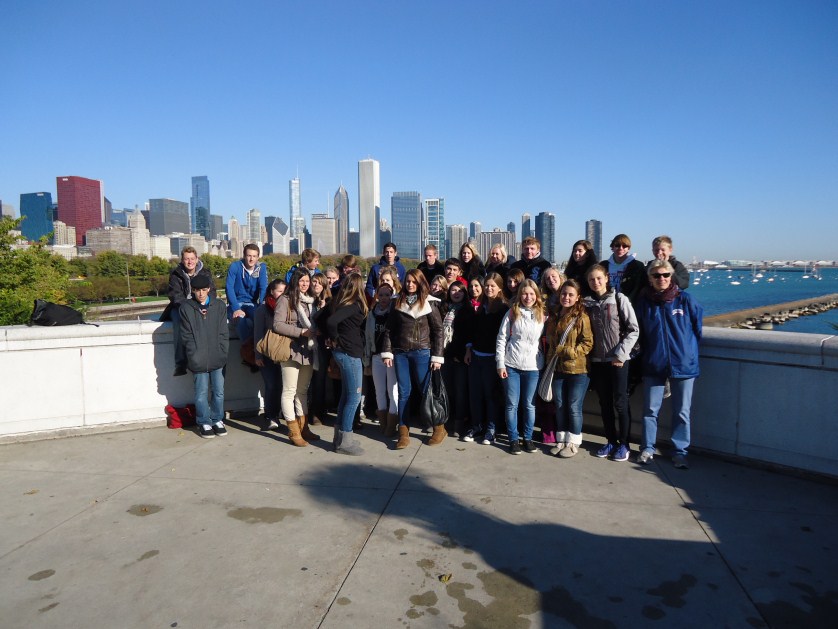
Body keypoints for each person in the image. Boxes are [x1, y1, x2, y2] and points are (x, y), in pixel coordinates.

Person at [635, 260, 703, 469]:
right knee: (650, 410)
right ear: (650, 278)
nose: (661, 279)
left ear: (671, 276)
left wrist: (686, 352)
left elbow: (697, 329)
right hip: (654, 363)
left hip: (683, 364)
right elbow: (639, 332)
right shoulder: (644, 302)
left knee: (682, 411)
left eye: (665, 275)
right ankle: (647, 448)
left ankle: (679, 451)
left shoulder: (685, 300)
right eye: (656, 275)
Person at [381, 270, 445, 449]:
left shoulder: (430, 303)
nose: (410, 284)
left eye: (414, 282)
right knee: (403, 392)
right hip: (400, 353)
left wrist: (437, 357)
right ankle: (403, 433)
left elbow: (439, 331)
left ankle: (439, 428)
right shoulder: (397, 301)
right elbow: (388, 330)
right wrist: (387, 352)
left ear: (420, 283)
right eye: (408, 281)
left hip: (422, 352)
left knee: (427, 391)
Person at [584, 264, 640, 462]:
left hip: (618, 361)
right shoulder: (587, 303)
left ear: (606, 278)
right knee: (604, 404)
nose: (596, 282)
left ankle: (624, 444)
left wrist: (621, 354)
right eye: (592, 279)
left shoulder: (619, 299)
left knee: (621, 403)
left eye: (599, 278)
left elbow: (634, 329)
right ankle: (610, 441)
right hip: (597, 361)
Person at [496, 279, 546, 455]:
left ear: (537, 296)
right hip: (512, 365)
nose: (528, 297)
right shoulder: (512, 312)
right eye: (525, 293)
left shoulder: (542, 314)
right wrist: (500, 363)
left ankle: (528, 437)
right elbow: (502, 338)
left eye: (532, 294)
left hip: (533, 366)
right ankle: (513, 439)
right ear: (519, 295)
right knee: (512, 405)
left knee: (529, 405)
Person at [546, 279, 593, 458]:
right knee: (559, 405)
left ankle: (573, 442)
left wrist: (566, 351)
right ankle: (562, 438)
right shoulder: (555, 315)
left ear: (577, 297)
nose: (566, 297)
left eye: (571, 295)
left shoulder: (582, 317)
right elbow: (550, 340)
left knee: (574, 406)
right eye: (564, 294)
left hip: (578, 370)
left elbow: (587, 344)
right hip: (557, 368)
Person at [273, 269, 320, 447]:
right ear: (295, 281)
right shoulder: (285, 300)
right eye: (301, 281)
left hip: (308, 350)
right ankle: (293, 431)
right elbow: (277, 325)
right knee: (289, 391)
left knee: (302, 391)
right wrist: (301, 332)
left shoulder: (311, 301)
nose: (305, 284)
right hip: (291, 349)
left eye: (307, 281)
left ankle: (304, 427)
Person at [179, 273, 229, 439]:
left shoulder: (219, 306)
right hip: (198, 358)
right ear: (192, 290)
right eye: (197, 290)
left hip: (217, 357)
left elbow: (223, 332)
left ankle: (217, 419)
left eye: (203, 289)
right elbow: (186, 336)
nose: (200, 293)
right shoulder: (186, 308)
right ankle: (203, 421)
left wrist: (222, 352)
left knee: (219, 391)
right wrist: (193, 354)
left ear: (209, 289)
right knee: (201, 393)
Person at [326, 273, 369, 456]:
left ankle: (340, 438)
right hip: (349, 353)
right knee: (354, 397)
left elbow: (326, 319)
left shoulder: (340, 303)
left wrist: (334, 339)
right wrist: (335, 339)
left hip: (345, 352)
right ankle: (345, 440)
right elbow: (330, 321)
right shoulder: (353, 306)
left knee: (346, 395)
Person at [463, 272, 509, 444]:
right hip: (476, 356)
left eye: (493, 286)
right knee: (475, 394)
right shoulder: (481, 307)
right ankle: (476, 426)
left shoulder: (504, 309)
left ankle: (491, 429)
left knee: (491, 395)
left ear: (499, 288)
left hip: (492, 359)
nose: (489, 289)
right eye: (487, 285)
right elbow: (473, 332)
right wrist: (469, 350)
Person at [160, 246, 217, 377]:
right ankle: (180, 363)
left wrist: (202, 306)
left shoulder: (205, 273)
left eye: (192, 259)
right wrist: (191, 308)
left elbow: (212, 292)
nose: (190, 262)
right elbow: (175, 296)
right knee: (179, 324)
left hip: (201, 305)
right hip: (180, 307)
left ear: (197, 259)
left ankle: (207, 357)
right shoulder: (175, 274)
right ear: (182, 260)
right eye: (186, 259)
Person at [363, 283, 399, 436]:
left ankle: (392, 424)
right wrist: (368, 359)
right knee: (379, 391)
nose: (384, 298)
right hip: (376, 356)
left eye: (387, 295)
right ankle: (383, 423)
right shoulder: (372, 314)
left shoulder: (395, 312)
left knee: (393, 391)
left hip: (391, 357)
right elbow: (367, 337)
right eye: (381, 295)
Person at [226, 244, 268, 369]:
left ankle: (259, 352)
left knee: (259, 320)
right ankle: (248, 354)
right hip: (237, 302)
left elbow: (263, 288)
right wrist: (235, 308)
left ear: (258, 257)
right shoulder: (235, 267)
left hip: (252, 303)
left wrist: (262, 307)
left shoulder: (262, 268)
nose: (251, 259)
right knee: (241, 321)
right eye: (249, 256)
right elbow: (229, 288)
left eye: (254, 256)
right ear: (244, 256)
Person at [254, 279, 287, 431]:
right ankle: (270, 416)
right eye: (279, 291)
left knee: (284, 386)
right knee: (271, 385)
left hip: (283, 353)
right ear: (271, 292)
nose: (282, 294)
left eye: (284, 291)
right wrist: (258, 356)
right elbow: (258, 333)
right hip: (267, 353)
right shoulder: (263, 309)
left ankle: (281, 413)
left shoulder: (287, 307)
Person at [441, 278, 471, 437]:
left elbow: (469, 335)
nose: (456, 293)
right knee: (447, 390)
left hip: (460, 357)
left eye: (460, 290)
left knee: (460, 392)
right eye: (453, 290)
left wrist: (463, 353)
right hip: (445, 355)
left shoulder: (468, 310)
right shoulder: (444, 308)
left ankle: (459, 423)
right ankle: (446, 420)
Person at [308, 274, 333, 426]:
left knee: (320, 379)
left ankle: (318, 411)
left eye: (318, 282)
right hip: (308, 343)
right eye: (313, 282)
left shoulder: (329, 302)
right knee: (308, 380)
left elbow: (331, 324)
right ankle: (310, 410)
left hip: (323, 344)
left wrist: (323, 310)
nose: (315, 285)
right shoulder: (307, 300)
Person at [600, 234, 646, 303]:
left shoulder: (637, 266)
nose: (621, 248)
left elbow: (640, 287)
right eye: (617, 245)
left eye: (624, 246)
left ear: (628, 248)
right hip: (607, 302)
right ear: (612, 247)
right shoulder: (603, 265)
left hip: (629, 303)